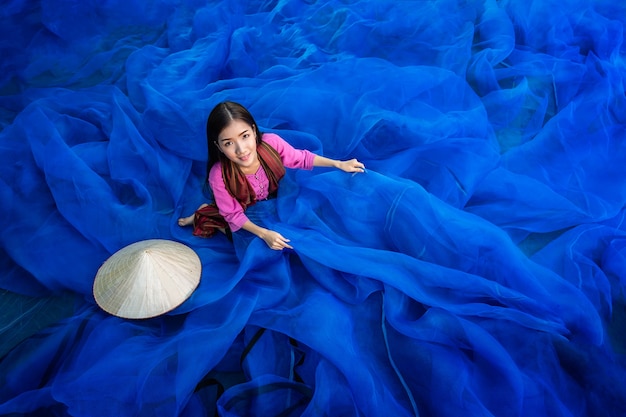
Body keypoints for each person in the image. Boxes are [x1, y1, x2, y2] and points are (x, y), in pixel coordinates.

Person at [178, 101, 365, 252]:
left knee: (312, 220)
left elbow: (300, 158)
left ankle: (209, 211)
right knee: (256, 248)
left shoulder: (271, 143)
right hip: (245, 210)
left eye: (245, 136)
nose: (241, 150)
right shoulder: (219, 174)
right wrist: (264, 234)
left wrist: (338, 163)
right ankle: (206, 216)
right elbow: (234, 213)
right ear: (218, 146)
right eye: (228, 143)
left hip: (276, 198)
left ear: (253, 130)